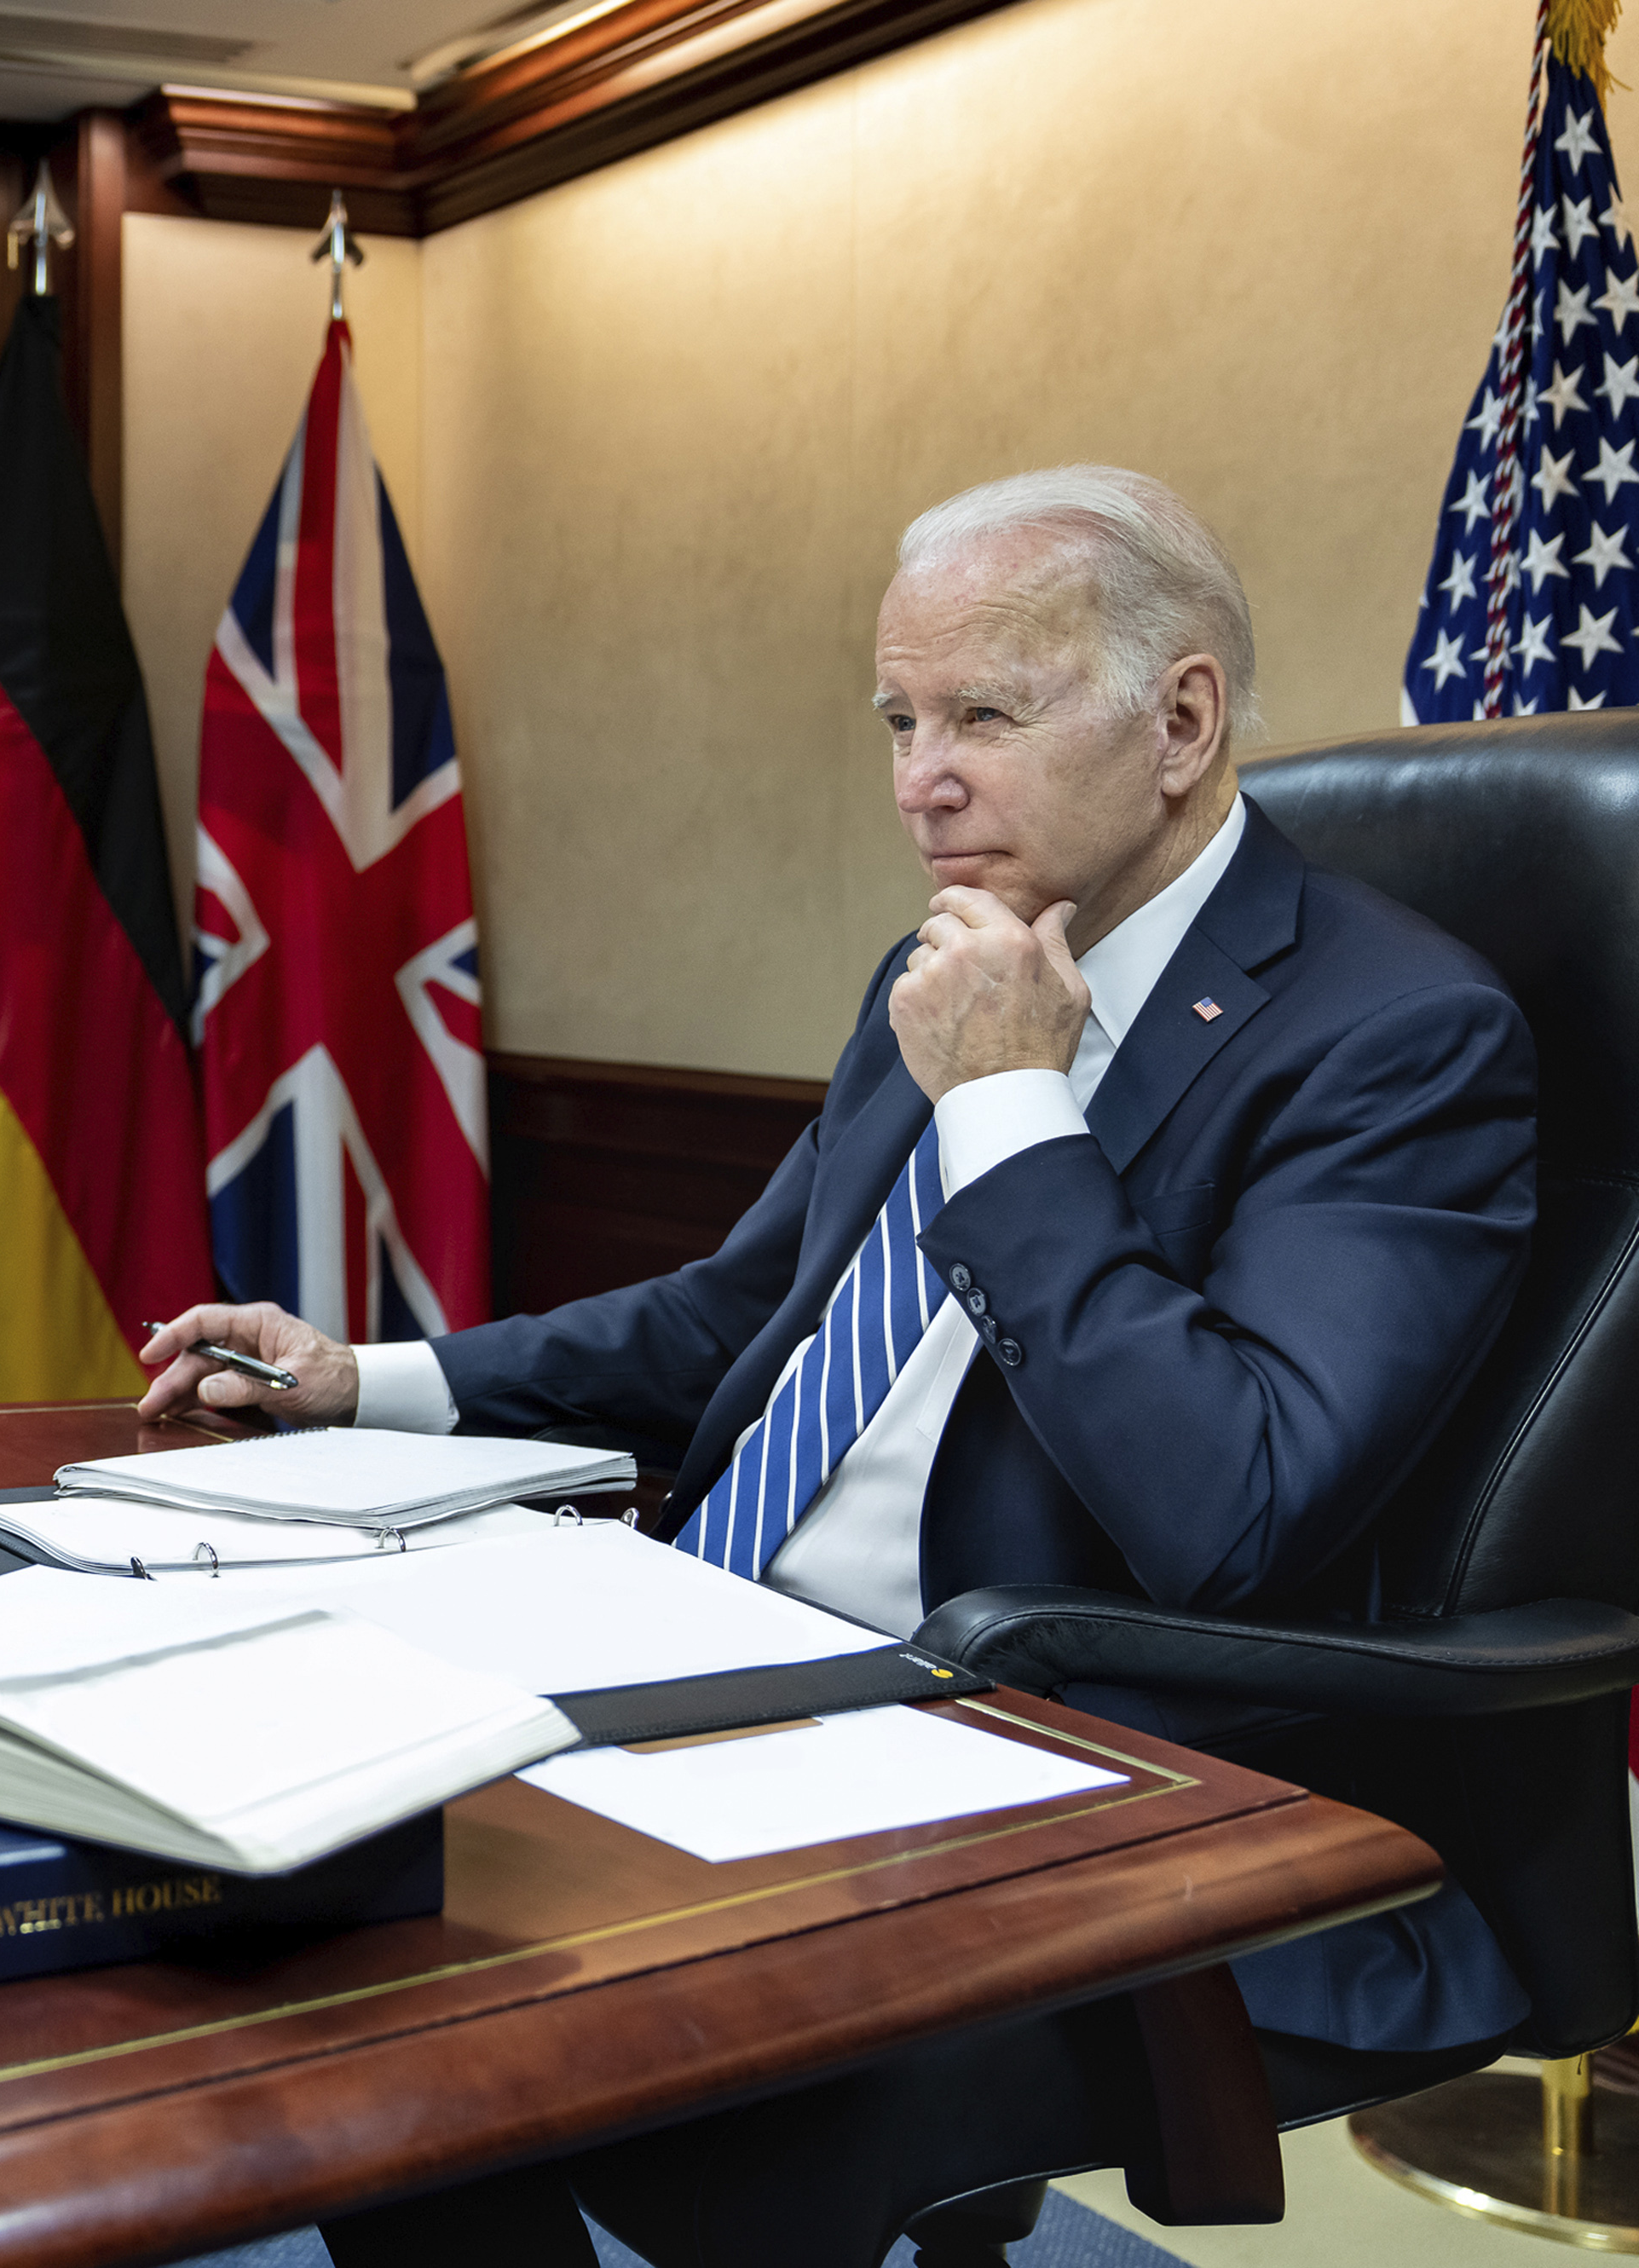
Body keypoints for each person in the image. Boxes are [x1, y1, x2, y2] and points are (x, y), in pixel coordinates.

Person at [138, 466, 1540, 2268]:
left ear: (1181, 718)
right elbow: (745, 1316)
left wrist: (1017, 1106)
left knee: (487, 2015)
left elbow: (1235, 1507)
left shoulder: (1394, 1033)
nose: (917, 778)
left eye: (982, 715)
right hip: (711, 1654)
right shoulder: (947, 969)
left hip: (1031, 1738)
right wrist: (367, 1379)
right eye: (898, 718)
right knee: (298, 1882)